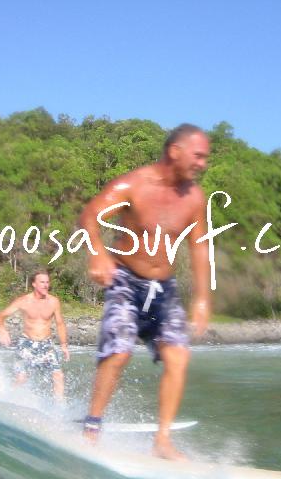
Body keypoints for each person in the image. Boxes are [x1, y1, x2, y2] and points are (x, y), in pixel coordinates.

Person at [79, 124, 211, 460]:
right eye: (198, 156)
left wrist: (202, 298)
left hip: (164, 288)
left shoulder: (195, 198)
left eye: (205, 158)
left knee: (178, 356)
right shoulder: (133, 185)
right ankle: (92, 427)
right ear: (175, 151)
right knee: (119, 352)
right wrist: (97, 252)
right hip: (125, 280)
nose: (203, 164)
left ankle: (162, 441)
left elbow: (199, 247)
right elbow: (90, 215)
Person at [0, 269, 70, 400]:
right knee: (22, 378)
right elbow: (1, 315)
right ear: (34, 284)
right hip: (27, 344)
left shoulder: (53, 301)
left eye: (47, 282)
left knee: (58, 375)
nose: (45, 285)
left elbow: (60, 324)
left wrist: (64, 345)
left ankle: (59, 407)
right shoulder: (23, 301)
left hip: (46, 344)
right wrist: (2, 330)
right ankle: (7, 399)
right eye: (42, 282)